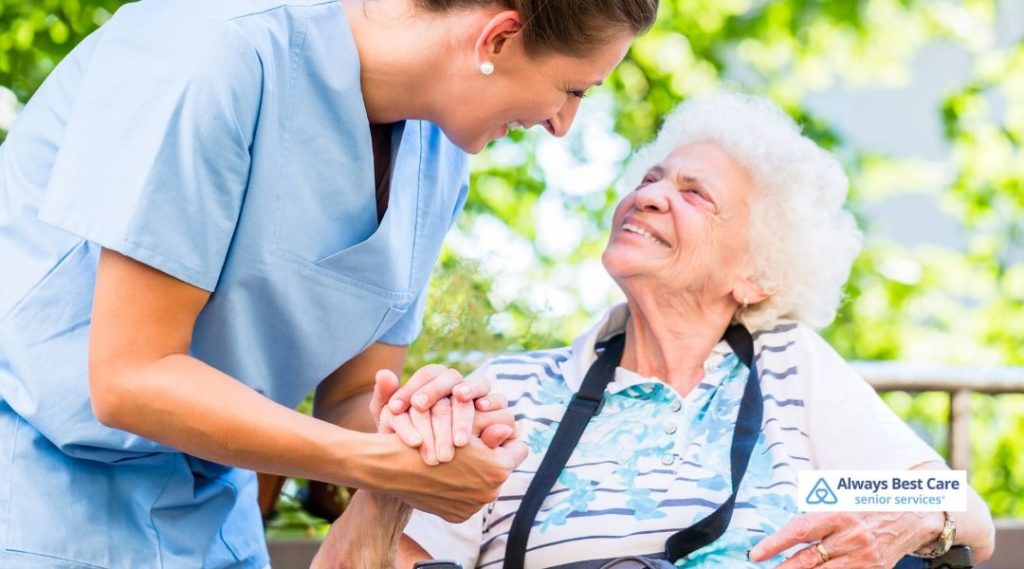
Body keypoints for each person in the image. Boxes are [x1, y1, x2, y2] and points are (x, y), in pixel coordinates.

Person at [0, 0, 660, 566]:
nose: (563, 123)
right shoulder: (213, 49)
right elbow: (129, 378)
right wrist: (370, 463)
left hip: (206, 526)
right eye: (574, 89)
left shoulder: (438, 159)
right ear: (498, 37)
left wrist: (426, 430)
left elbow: (349, 397)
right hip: (34, 503)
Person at [330, 92, 996, 567]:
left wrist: (907, 517)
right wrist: (390, 477)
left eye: (694, 193)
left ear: (757, 274)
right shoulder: (511, 392)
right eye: (651, 179)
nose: (649, 195)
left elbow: (956, 503)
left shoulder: (788, 374)